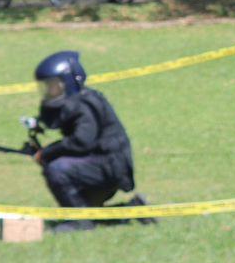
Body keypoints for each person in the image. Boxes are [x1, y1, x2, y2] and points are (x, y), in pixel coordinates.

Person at [32, 51, 151, 234]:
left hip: (109, 166)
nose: (49, 91)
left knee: (56, 168)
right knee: (86, 207)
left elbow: (81, 142)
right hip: (103, 163)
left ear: (67, 82)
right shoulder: (77, 101)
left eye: (52, 86)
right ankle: (133, 209)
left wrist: (48, 152)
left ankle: (79, 222)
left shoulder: (85, 104)